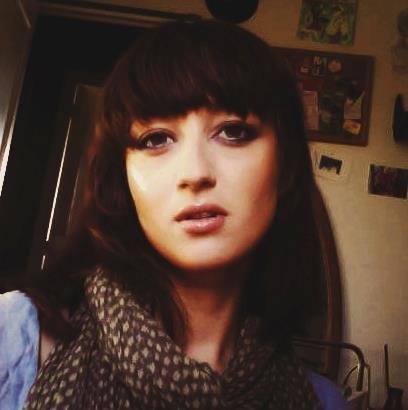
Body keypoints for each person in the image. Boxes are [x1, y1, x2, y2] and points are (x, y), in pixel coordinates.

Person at [0, 20, 348, 409]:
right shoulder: (11, 337)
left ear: (284, 166)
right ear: (123, 178)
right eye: (156, 139)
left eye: (233, 132)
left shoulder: (322, 402)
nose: (195, 173)